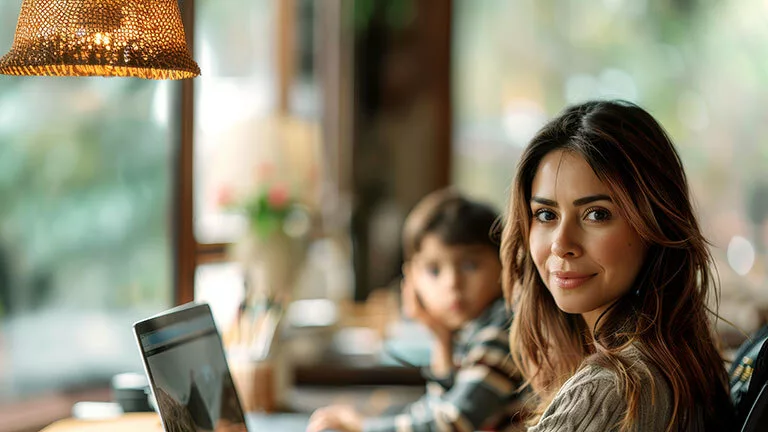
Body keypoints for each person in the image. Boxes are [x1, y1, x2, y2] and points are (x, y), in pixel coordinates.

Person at [500, 99, 736, 431]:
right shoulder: (679, 369)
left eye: (596, 214)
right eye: (546, 214)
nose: (561, 244)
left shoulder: (609, 388)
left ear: (654, 226)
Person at [307, 189, 524, 432]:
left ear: (505, 262)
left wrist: (363, 427)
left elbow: (454, 421)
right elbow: (439, 408)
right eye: (433, 270)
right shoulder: (473, 329)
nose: (452, 283)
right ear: (412, 278)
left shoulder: (502, 329)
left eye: (470, 265)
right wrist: (440, 337)